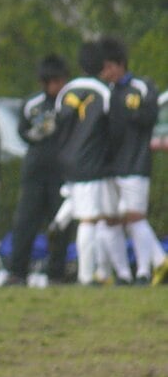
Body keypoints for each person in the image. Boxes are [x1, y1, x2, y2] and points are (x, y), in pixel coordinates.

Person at [98, 36, 166, 285]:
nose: (106, 73)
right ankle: (125, 273)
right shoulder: (105, 93)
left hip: (136, 163)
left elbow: (149, 116)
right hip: (111, 166)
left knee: (136, 217)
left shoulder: (142, 87)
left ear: (120, 64)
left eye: (108, 67)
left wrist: (129, 113)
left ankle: (143, 272)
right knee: (112, 220)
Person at [2, 55, 70, 287]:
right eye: (54, 81)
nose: (58, 86)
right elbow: (23, 132)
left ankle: (57, 273)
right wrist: (40, 130)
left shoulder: (70, 102)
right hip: (35, 173)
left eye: (61, 80)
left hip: (61, 173)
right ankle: (17, 272)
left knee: (60, 225)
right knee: (25, 223)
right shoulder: (33, 104)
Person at [55, 40, 114, 286]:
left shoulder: (66, 91)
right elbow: (111, 130)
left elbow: (59, 124)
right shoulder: (104, 92)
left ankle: (60, 219)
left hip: (67, 161)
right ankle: (86, 276)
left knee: (87, 210)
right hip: (91, 162)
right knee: (90, 219)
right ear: (103, 65)